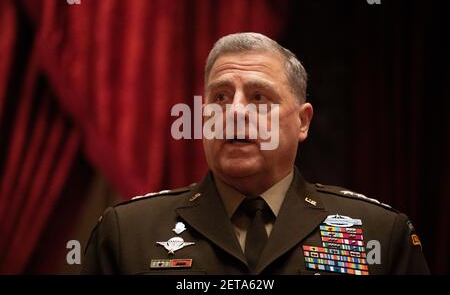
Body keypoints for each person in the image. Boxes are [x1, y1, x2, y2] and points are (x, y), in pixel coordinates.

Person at [81, 32, 429, 275]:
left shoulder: (379, 233)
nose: (234, 112)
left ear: (303, 122)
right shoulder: (127, 233)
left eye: (259, 97)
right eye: (219, 97)